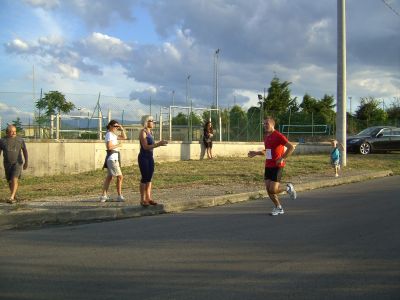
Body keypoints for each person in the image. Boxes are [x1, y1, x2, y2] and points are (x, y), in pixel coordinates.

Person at [248, 116, 297, 216]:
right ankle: (278, 207)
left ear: (272, 124)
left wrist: (282, 158)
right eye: (264, 124)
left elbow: (291, 147)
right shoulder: (266, 136)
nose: (265, 125)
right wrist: (256, 153)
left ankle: (288, 188)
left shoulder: (278, 135)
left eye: (267, 124)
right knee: (268, 189)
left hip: (277, 165)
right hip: (268, 165)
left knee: (273, 189)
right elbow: (267, 151)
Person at [138, 115, 168, 207]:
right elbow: (145, 147)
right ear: (146, 122)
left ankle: (148, 198)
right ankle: (142, 200)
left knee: (149, 178)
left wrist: (159, 144)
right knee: (144, 177)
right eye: (151, 120)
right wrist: (158, 144)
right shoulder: (143, 132)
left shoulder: (150, 132)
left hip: (150, 157)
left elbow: (151, 146)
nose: (153, 122)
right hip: (143, 157)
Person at [0, 125, 28, 204]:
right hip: (7, 163)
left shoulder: (20, 140)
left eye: (15, 131)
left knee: (14, 178)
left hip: (18, 162)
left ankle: (11, 197)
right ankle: (14, 195)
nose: (13, 133)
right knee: (9, 181)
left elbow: (25, 151)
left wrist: (26, 162)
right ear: (7, 132)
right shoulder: (2, 140)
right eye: (11, 131)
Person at [100, 120, 127, 202]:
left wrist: (122, 129)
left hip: (113, 158)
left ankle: (104, 196)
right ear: (111, 126)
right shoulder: (109, 135)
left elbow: (124, 137)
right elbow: (109, 147)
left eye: (117, 126)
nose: (116, 128)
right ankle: (119, 196)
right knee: (120, 177)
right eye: (115, 126)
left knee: (109, 177)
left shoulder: (113, 135)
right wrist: (118, 145)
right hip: (112, 158)